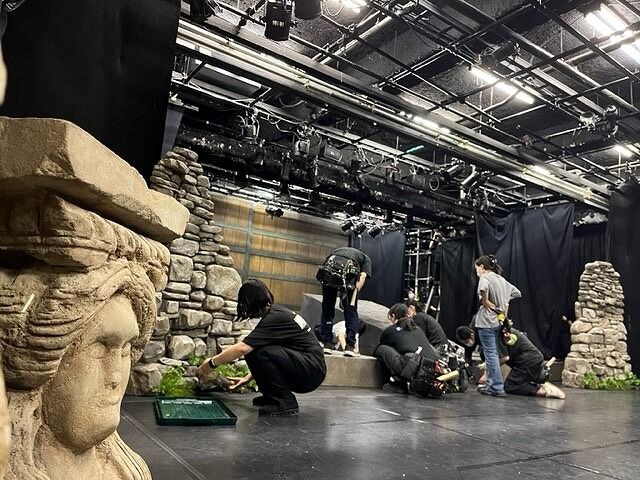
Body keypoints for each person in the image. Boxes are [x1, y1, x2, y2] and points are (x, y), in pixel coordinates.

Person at [197, 279, 326, 416]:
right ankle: (272, 397)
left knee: (257, 351)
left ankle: (284, 402)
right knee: (256, 350)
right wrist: (247, 379)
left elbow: (242, 349)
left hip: (311, 371)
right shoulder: (277, 313)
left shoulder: (274, 318)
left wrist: (210, 364)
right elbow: (275, 357)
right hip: (310, 367)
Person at [456, 326, 563, 399]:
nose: (468, 343)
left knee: (510, 386)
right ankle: (537, 383)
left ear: (472, 334)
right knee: (484, 354)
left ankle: (546, 391)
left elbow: (504, 358)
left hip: (528, 359)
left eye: (467, 341)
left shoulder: (495, 333)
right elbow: (491, 358)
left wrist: (487, 372)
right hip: (523, 359)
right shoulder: (486, 336)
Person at [473, 254, 521, 397]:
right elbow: (517, 293)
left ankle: (496, 386)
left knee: (491, 355)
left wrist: (486, 300)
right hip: (499, 321)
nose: (477, 271)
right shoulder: (501, 280)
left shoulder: (485, 277)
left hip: (486, 320)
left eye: (477, 268)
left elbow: (483, 288)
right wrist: (504, 301)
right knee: (494, 353)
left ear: (482, 266)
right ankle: (492, 385)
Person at [317, 246, 372, 356]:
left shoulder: (340, 249)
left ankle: (327, 343)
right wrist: (354, 294)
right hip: (348, 272)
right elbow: (362, 276)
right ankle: (350, 346)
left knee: (327, 308)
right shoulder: (366, 258)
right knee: (351, 311)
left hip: (329, 270)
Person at [374, 304, 440, 387]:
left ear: (393, 316)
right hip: (430, 368)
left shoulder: (391, 330)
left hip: (413, 369)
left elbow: (383, 343)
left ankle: (390, 380)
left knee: (381, 348)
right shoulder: (418, 328)